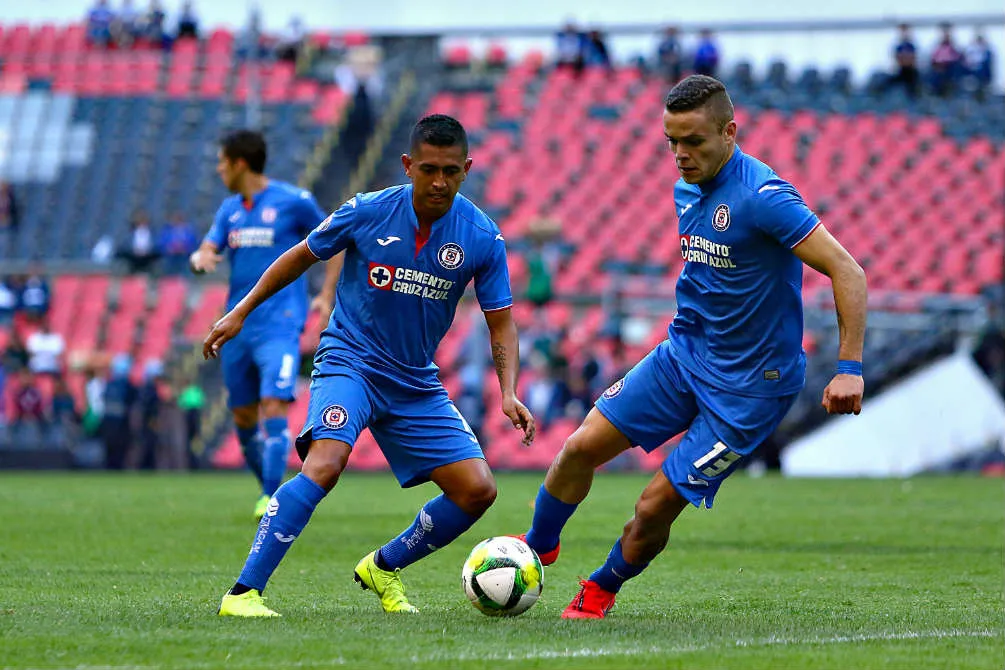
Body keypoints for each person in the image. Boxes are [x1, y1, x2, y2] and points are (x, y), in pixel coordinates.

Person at [516, 75, 867, 619]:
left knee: (653, 506)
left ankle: (603, 585)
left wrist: (848, 367)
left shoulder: (764, 197)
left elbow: (847, 269)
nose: (680, 155)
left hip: (750, 390)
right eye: (671, 142)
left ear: (730, 132)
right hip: (683, 356)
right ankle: (535, 548)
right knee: (579, 448)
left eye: (694, 142)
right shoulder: (688, 183)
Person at [205, 114, 535, 618]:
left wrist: (508, 390)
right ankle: (243, 593)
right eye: (428, 169)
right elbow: (300, 256)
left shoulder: (482, 238)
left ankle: (383, 566)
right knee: (326, 463)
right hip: (349, 361)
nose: (439, 181)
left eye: (451, 170)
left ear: (467, 169)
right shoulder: (367, 211)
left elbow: (501, 324)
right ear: (408, 165)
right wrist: (239, 312)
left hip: (414, 380)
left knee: (477, 490)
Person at [189, 129, 341, 518]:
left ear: (240, 163)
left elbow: (335, 242)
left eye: (222, 162)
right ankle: (266, 488)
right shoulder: (230, 210)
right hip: (237, 325)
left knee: (274, 404)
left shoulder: (295, 201)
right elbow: (210, 244)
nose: (219, 169)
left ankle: (273, 499)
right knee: (242, 416)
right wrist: (201, 257)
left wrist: (325, 295)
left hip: (281, 322)